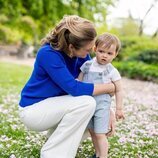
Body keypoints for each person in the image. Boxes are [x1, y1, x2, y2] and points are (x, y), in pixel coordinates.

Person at [18, 15, 115, 158]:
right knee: (87, 103)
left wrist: (109, 109)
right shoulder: (47, 54)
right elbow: (74, 88)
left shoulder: (81, 55)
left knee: (97, 112)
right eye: (88, 50)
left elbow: (90, 82)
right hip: (33, 110)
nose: (90, 53)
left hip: (55, 107)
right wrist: (109, 88)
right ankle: (52, 154)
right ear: (71, 46)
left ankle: (54, 142)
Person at [78, 33, 125, 158]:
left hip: (101, 106)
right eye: (101, 51)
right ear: (95, 49)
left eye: (109, 53)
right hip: (87, 104)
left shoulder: (112, 71)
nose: (104, 55)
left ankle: (103, 156)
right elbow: (78, 82)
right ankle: (98, 154)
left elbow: (119, 90)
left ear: (115, 54)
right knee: (92, 132)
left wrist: (119, 109)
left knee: (100, 134)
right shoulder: (87, 65)